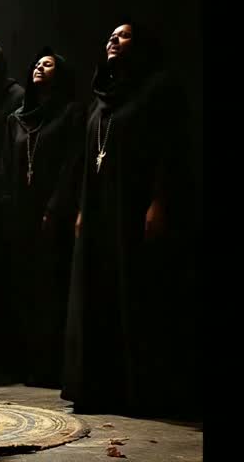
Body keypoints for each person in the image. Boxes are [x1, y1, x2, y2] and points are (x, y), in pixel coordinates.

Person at [62, 22, 198, 417]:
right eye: (110, 36)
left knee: (136, 292)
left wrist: (159, 201)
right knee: (99, 294)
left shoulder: (158, 89)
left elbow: (171, 150)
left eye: (123, 36)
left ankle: (141, 390)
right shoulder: (100, 100)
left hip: (135, 208)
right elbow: (89, 162)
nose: (113, 40)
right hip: (101, 212)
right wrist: (83, 209)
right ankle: (100, 387)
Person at [0, 48, 85, 387]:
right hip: (21, 214)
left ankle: (53, 366)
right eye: (36, 64)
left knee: (52, 288)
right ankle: (29, 364)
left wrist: (55, 206)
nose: (39, 68)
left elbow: (72, 163)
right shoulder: (17, 119)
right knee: (24, 289)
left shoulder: (71, 113)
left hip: (54, 212)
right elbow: (6, 166)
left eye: (47, 65)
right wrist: (6, 206)